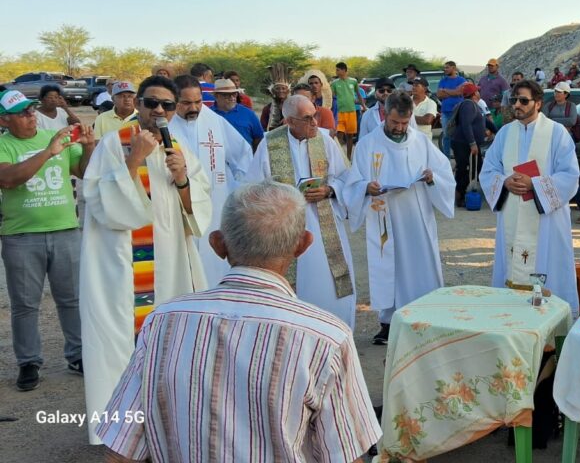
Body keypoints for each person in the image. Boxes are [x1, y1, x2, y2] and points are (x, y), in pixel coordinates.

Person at [97, 182, 381, 462]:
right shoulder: (326, 338)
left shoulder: (161, 323)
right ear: (303, 244)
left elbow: (122, 449)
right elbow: (345, 453)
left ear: (218, 244)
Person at [79, 75, 212, 444]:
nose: (159, 111)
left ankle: (169, 423)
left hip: (170, 266)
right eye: (151, 103)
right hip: (124, 267)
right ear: (137, 104)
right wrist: (134, 159)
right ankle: (121, 432)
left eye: (167, 105)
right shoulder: (113, 144)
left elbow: (197, 213)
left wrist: (183, 179)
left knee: (171, 346)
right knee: (122, 345)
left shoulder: (179, 147)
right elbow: (103, 206)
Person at [0, 91, 95, 391]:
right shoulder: (5, 145)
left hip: (66, 230)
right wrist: (49, 152)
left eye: (31, 110)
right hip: (21, 236)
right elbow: (8, 179)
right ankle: (28, 362)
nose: (31, 116)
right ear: (4, 120)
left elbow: (83, 172)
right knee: (25, 305)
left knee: (71, 299)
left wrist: (89, 147)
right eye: (22, 113)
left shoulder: (54, 137)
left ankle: (78, 356)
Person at [345, 91, 455, 345]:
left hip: (417, 216)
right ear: (385, 113)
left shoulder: (420, 142)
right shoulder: (368, 144)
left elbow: (443, 173)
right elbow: (354, 181)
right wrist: (366, 187)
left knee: (421, 262)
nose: (400, 128)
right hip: (385, 215)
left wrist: (431, 178)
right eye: (395, 122)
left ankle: (426, 315)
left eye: (405, 123)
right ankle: (388, 321)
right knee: (389, 265)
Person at [247, 95, 358, 328]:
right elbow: (254, 188)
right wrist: (286, 197)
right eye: (307, 118)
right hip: (286, 225)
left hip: (324, 223)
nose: (315, 122)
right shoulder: (270, 144)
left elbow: (347, 177)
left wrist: (329, 189)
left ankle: (333, 328)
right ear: (289, 121)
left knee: (328, 283)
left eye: (315, 115)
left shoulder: (325, 141)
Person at [481, 80, 580, 315]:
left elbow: (569, 175)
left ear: (537, 103)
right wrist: (504, 181)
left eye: (523, 100)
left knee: (548, 265)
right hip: (513, 215)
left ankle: (552, 326)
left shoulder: (556, 133)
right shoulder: (505, 133)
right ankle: (510, 319)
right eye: (514, 100)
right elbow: (489, 170)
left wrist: (534, 184)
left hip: (545, 220)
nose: (517, 104)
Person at [169, 75, 253, 286]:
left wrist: (237, 189)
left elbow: (243, 154)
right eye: (186, 103)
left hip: (215, 203)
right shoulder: (165, 122)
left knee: (213, 264)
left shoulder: (213, 120)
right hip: (176, 204)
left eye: (198, 102)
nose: (194, 108)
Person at [449, 83, 492, 207]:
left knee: (477, 168)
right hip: (464, 144)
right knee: (465, 169)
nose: (479, 93)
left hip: (468, 143)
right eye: (477, 91)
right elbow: (466, 125)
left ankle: (466, 193)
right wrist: (472, 144)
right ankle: (459, 195)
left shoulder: (475, 106)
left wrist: (497, 131)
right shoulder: (468, 105)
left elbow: (485, 121)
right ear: (474, 94)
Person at [210, 78, 264, 152]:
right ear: (216, 96)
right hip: (216, 160)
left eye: (234, 94)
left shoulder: (248, 114)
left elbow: (259, 138)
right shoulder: (207, 114)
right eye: (227, 95)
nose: (232, 97)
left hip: (245, 161)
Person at [331, 61, 364, 158]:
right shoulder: (334, 83)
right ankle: (338, 156)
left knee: (350, 136)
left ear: (344, 70)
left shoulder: (353, 81)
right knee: (339, 135)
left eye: (338, 70)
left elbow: (358, 94)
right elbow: (331, 96)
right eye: (336, 70)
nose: (336, 72)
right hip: (340, 112)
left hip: (352, 112)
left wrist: (364, 106)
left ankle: (348, 157)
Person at [437, 60, 466, 157]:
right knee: (446, 135)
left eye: (447, 67)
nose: (445, 69)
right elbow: (439, 94)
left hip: (458, 112)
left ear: (453, 68)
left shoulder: (461, 80)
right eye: (444, 68)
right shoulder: (443, 80)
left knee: (458, 135)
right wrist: (454, 91)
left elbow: (459, 92)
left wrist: (445, 90)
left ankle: (459, 157)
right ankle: (446, 158)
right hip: (445, 112)